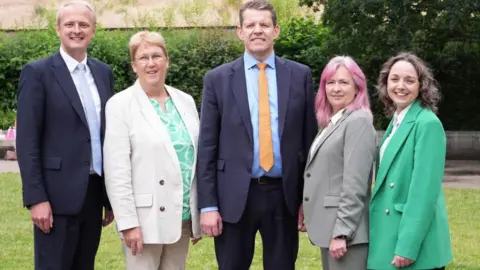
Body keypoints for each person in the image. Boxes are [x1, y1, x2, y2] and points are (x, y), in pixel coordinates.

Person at [196, 0, 317, 269]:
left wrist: (307, 200)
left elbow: (309, 144)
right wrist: (208, 205)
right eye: (250, 25)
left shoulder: (299, 75)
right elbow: (207, 146)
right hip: (234, 196)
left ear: (276, 30)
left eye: (264, 24)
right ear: (240, 32)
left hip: (284, 195)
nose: (257, 30)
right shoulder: (217, 79)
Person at [16, 1, 114, 269]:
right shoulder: (37, 73)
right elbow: (27, 142)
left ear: (93, 30)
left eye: (83, 24)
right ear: (58, 29)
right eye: (69, 24)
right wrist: (37, 199)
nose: (76, 30)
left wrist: (110, 198)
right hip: (55, 197)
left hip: (94, 192)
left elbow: (107, 135)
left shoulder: (104, 73)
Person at [103, 31, 202, 270]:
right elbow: (117, 172)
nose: (151, 63)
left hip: (183, 216)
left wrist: (198, 213)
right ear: (134, 66)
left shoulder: (185, 101)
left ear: (167, 60)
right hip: (145, 220)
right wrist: (128, 223)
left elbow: (196, 159)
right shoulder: (120, 105)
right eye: (143, 58)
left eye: (157, 55)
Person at [368, 52, 453, 270]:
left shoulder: (427, 124)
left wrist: (407, 246)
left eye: (409, 80)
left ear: (421, 86)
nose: (400, 86)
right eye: (394, 79)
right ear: (385, 83)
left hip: (413, 248)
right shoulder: (397, 120)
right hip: (390, 235)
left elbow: (424, 193)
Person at [302, 56, 376, 270]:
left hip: (346, 236)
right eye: (330, 82)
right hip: (330, 229)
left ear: (357, 88)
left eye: (344, 82)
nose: (336, 88)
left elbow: (355, 185)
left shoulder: (358, 122)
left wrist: (342, 232)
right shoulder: (333, 122)